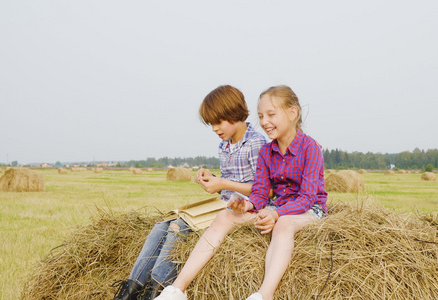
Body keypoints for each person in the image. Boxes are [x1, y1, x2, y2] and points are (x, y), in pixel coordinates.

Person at [155, 85, 328, 300]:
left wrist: (276, 214)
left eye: (271, 115)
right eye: (261, 116)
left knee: (284, 224)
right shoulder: (266, 152)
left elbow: (308, 197)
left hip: (309, 210)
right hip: (276, 207)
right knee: (224, 216)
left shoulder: (310, 148)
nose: (264, 121)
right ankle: (177, 289)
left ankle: (265, 294)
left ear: (293, 112)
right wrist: (248, 205)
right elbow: (261, 192)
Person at [112, 85, 266, 300]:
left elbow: (262, 187)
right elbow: (232, 180)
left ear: (235, 115)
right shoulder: (225, 145)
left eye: (218, 122)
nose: (214, 128)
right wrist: (211, 177)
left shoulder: (256, 143)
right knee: (162, 224)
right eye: (211, 123)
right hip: (222, 204)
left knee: (178, 227)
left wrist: (222, 183)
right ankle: (130, 289)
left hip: (242, 209)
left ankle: (159, 289)